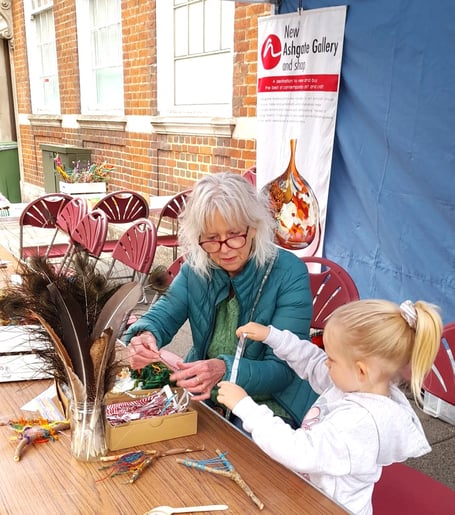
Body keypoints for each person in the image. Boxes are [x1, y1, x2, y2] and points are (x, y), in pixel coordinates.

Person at [124, 172, 318, 427]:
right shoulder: (197, 266)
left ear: (255, 228)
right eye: (212, 239)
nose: (224, 249)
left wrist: (224, 369)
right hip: (205, 390)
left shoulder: (288, 272)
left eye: (234, 235)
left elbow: (283, 370)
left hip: (270, 404)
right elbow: (164, 314)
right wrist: (144, 336)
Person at [217, 299, 442, 515]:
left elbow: (299, 451)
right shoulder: (356, 384)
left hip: (331, 508)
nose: (326, 362)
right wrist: (273, 337)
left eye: (332, 359)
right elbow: (312, 361)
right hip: (311, 494)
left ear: (362, 371)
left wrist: (245, 407)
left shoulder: (360, 421)